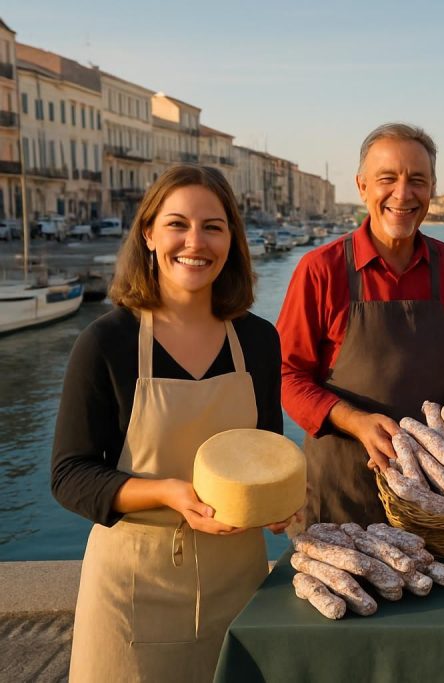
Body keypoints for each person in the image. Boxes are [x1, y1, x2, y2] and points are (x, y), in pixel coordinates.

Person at [51, 165, 290, 682]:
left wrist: (281, 503)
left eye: (213, 226)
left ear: (231, 239)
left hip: (240, 585)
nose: (194, 242)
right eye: (177, 223)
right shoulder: (106, 343)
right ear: (149, 234)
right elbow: (70, 475)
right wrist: (168, 493)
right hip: (132, 590)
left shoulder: (258, 342)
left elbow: (269, 446)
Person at [277, 122, 444, 528]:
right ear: (362, 187)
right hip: (343, 493)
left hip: (440, 493)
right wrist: (356, 421)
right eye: (387, 179)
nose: (402, 193)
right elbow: (287, 375)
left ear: (432, 188)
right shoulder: (320, 270)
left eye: (417, 180)